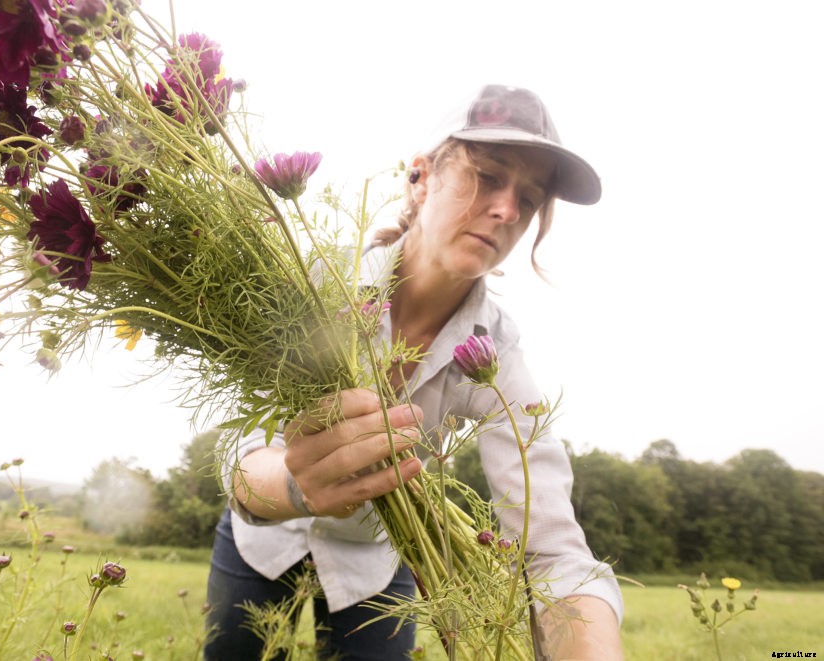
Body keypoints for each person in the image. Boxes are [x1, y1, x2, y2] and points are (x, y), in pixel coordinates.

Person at [204, 84, 625, 660]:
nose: (506, 210)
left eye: (528, 199)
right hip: (263, 538)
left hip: (375, 562)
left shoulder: (494, 352)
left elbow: (550, 541)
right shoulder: (318, 284)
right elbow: (239, 455)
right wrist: (299, 485)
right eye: (487, 175)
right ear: (421, 177)